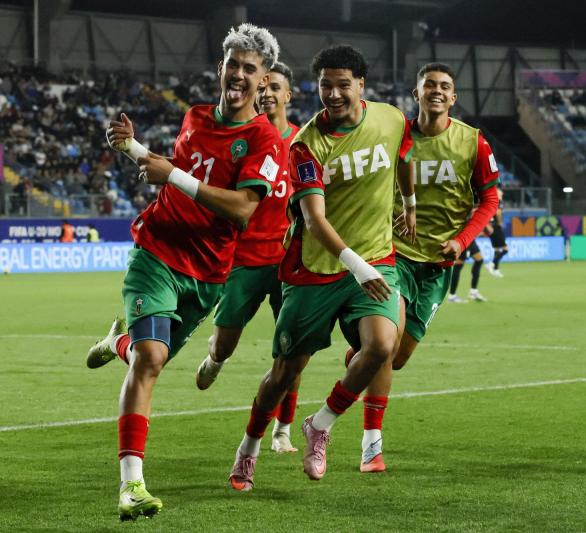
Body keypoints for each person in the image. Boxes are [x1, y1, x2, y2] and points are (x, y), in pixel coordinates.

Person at [85, 23, 282, 520]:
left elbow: (241, 209)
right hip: (157, 252)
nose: (238, 74)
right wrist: (130, 147)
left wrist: (170, 172)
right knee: (151, 358)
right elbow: (174, 174)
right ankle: (131, 486)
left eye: (250, 69)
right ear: (221, 68)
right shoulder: (194, 117)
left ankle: (117, 343)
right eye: (233, 64)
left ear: (264, 81)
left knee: (147, 358)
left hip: (209, 275)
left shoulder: (265, 141)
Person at [227, 44, 415, 490]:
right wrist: (356, 267)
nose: (332, 93)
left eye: (342, 84)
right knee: (284, 374)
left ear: (361, 85)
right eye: (325, 85)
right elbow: (314, 220)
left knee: (381, 345)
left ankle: (321, 423)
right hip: (315, 268)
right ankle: (249, 447)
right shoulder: (306, 145)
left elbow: (403, 155)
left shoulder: (390, 118)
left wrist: (409, 202)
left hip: (376, 258)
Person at [345, 62, 499, 472]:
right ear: (416, 94)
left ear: (453, 97)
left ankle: (362, 356)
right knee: (385, 349)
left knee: (395, 359)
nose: (436, 90)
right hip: (390, 254)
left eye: (444, 86)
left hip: (437, 264)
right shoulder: (394, 135)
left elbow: (490, 200)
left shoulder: (473, 143)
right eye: (429, 84)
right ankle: (372, 444)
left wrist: (462, 241)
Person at [194, 61, 302, 454]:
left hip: (290, 262)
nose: (268, 93)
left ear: (288, 96)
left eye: (277, 87)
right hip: (244, 259)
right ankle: (215, 358)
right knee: (225, 345)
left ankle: (282, 431)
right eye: (264, 86)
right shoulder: (245, 137)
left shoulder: (303, 142)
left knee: (292, 351)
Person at [447, 228, 489, 302]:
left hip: (470, 238)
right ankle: (452, 295)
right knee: (458, 265)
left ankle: (473, 292)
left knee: (479, 260)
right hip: (463, 236)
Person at [485, 187, 508, 277]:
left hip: (490, 227)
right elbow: (498, 213)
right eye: (500, 192)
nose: (502, 193)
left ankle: (496, 269)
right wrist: (500, 222)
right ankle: (491, 264)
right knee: (506, 249)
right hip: (496, 227)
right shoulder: (499, 201)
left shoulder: (491, 200)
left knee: (497, 249)